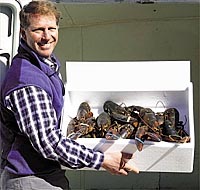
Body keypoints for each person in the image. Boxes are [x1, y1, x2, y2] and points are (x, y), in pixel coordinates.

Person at [0, 0, 139, 189]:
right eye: (38, 30)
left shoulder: (44, 64)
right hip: (29, 177)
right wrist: (102, 160)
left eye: (52, 28)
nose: (46, 36)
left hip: (45, 172)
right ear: (23, 34)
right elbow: (48, 141)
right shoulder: (27, 81)